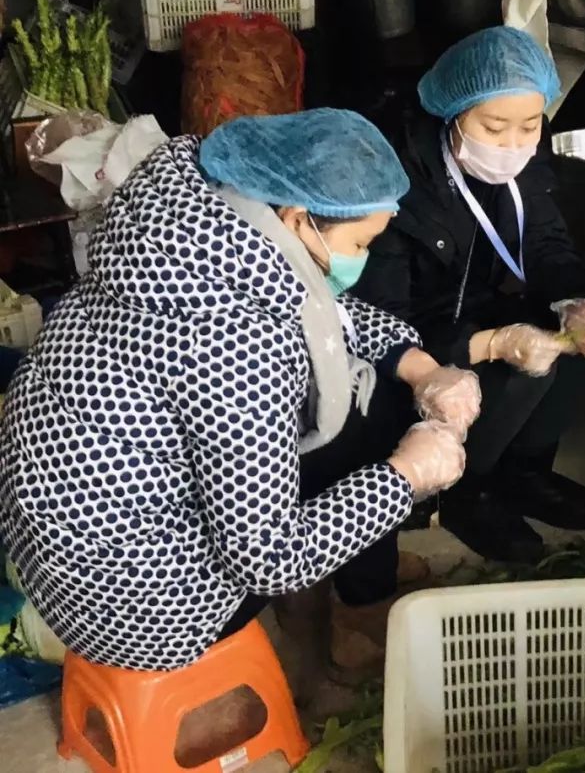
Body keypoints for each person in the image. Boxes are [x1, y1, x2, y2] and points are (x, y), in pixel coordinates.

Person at [0, 109, 477, 683]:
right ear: (297, 219)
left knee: (365, 393)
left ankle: (358, 576)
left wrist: (419, 365)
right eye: (361, 242)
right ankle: (357, 614)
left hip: (60, 559)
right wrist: (406, 477)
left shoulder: (182, 240)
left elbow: (323, 311)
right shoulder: (235, 345)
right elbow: (269, 559)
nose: (364, 258)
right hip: (142, 611)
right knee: (373, 424)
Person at [356, 26, 585, 563]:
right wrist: (491, 343)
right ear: (454, 112)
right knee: (522, 372)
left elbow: (546, 239)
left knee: (581, 345)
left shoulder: (524, 156)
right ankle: (466, 492)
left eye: (529, 125)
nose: (512, 144)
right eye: (494, 126)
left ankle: (526, 472)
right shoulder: (397, 174)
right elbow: (380, 319)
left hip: (478, 302)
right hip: (412, 331)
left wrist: (577, 300)